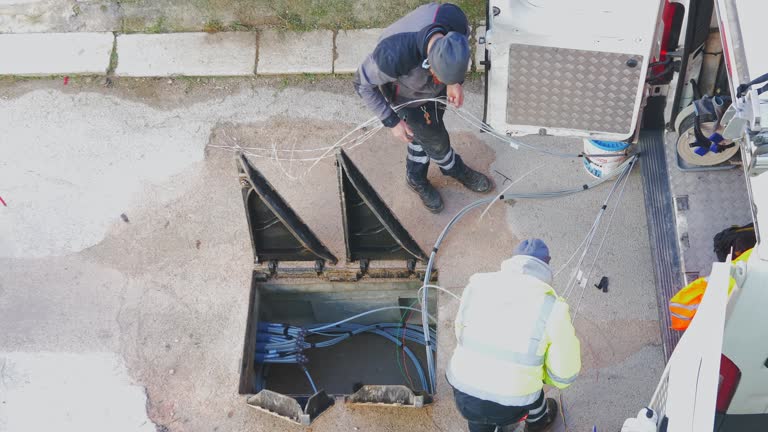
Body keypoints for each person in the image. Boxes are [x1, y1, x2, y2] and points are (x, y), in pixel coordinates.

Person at [353, 3, 493, 214]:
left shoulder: (453, 19)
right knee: (436, 141)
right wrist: (392, 121)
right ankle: (452, 168)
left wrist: (454, 82)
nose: (441, 81)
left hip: (430, 93)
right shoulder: (393, 55)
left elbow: (456, 55)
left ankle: (415, 176)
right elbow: (361, 84)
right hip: (408, 98)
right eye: (439, 77)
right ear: (429, 62)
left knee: (422, 136)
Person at [447, 239, 581, 432]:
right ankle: (537, 423)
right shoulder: (553, 308)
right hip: (511, 404)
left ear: (512, 260)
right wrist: (541, 375)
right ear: (546, 266)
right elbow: (564, 374)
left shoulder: (477, 286)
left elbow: (461, 332)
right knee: (530, 390)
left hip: (464, 394)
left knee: (478, 417)